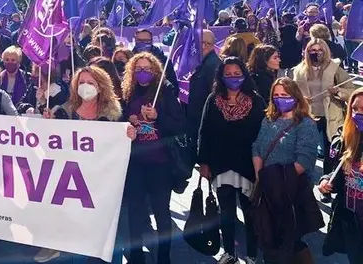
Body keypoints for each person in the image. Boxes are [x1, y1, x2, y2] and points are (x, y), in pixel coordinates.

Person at [39, 66, 137, 264]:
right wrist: (47, 125)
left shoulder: (114, 116)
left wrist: (129, 136)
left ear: (100, 87)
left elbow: (119, 150)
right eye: (81, 82)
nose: (85, 87)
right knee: (76, 244)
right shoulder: (65, 113)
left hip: (102, 190)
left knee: (108, 242)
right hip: (72, 189)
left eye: (90, 83)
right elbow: (50, 147)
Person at [197, 57, 265, 264]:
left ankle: (252, 254)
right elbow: (204, 132)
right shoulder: (213, 100)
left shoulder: (256, 100)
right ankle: (229, 252)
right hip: (221, 164)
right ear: (221, 76)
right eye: (229, 74)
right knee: (225, 212)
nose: (233, 78)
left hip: (248, 166)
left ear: (244, 75)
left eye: (237, 73)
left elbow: (263, 135)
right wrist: (204, 162)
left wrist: (261, 166)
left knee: (250, 213)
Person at [122, 52, 186, 264]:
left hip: (161, 163)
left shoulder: (165, 90)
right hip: (136, 163)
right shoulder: (128, 92)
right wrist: (127, 121)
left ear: (155, 71)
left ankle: (164, 257)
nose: (143, 73)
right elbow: (119, 120)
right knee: (135, 211)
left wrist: (159, 117)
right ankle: (136, 255)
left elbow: (179, 125)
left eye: (147, 69)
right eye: (138, 69)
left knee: (161, 212)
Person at [251, 77, 323, 264]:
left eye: (285, 95)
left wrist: (278, 179)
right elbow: (257, 147)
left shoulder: (306, 124)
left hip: (290, 190)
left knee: (289, 237)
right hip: (267, 187)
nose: (280, 98)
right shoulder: (269, 120)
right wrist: (261, 176)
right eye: (276, 95)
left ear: (295, 96)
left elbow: (304, 160)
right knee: (269, 234)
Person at [293, 38, 354, 202]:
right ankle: (303, 186)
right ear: (307, 51)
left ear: (326, 51)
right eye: (313, 50)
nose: (316, 53)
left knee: (330, 152)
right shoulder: (299, 70)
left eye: (320, 50)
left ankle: (326, 186)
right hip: (309, 116)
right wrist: (300, 99)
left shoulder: (335, 68)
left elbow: (352, 91)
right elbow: (291, 93)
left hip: (331, 116)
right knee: (306, 152)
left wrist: (338, 91)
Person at [319, 87, 363, 263]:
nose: (358, 113)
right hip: (351, 219)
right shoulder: (346, 139)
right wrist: (325, 182)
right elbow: (335, 175)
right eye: (355, 108)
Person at [187, 29, 222, 151]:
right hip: (198, 121)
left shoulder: (213, 66)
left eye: (194, 44)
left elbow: (215, 97)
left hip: (205, 124)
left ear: (204, 44)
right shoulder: (204, 64)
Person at [340, 3, 360, 73]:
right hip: (346, 38)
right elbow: (341, 27)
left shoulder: (357, 17)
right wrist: (340, 32)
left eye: (347, 9)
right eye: (344, 10)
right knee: (348, 53)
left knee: (354, 53)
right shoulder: (343, 18)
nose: (345, 11)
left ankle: (356, 67)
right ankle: (349, 67)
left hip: (355, 38)